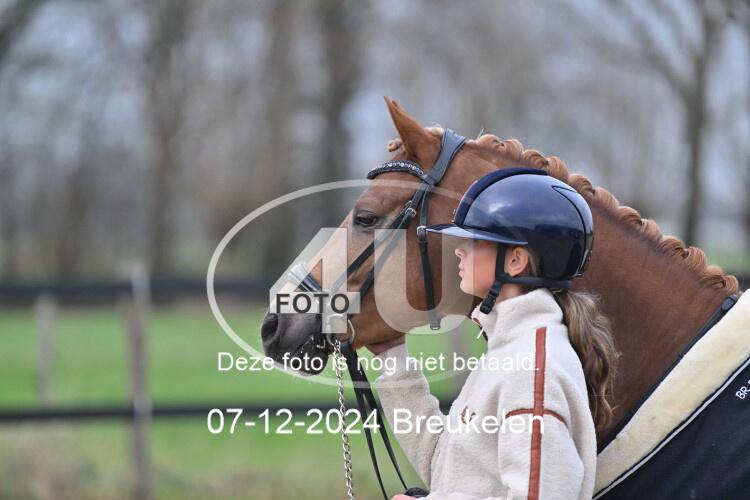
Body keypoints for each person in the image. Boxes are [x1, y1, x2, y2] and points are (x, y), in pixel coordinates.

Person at [368, 167, 618, 500]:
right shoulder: (512, 349)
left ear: (515, 261)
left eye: (474, 241)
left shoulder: (531, 369)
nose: (459, 250)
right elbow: (446, 466)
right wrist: (393, 358)